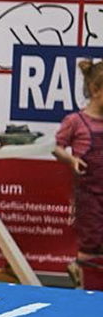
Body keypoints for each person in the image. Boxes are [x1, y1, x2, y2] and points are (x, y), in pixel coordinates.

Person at [54, 59, 103, 289]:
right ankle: (84, 284)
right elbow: (56, 147)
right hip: (88, 194)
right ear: (95, 90)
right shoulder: (76, 121)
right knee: (89, 241)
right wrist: (71, 159)